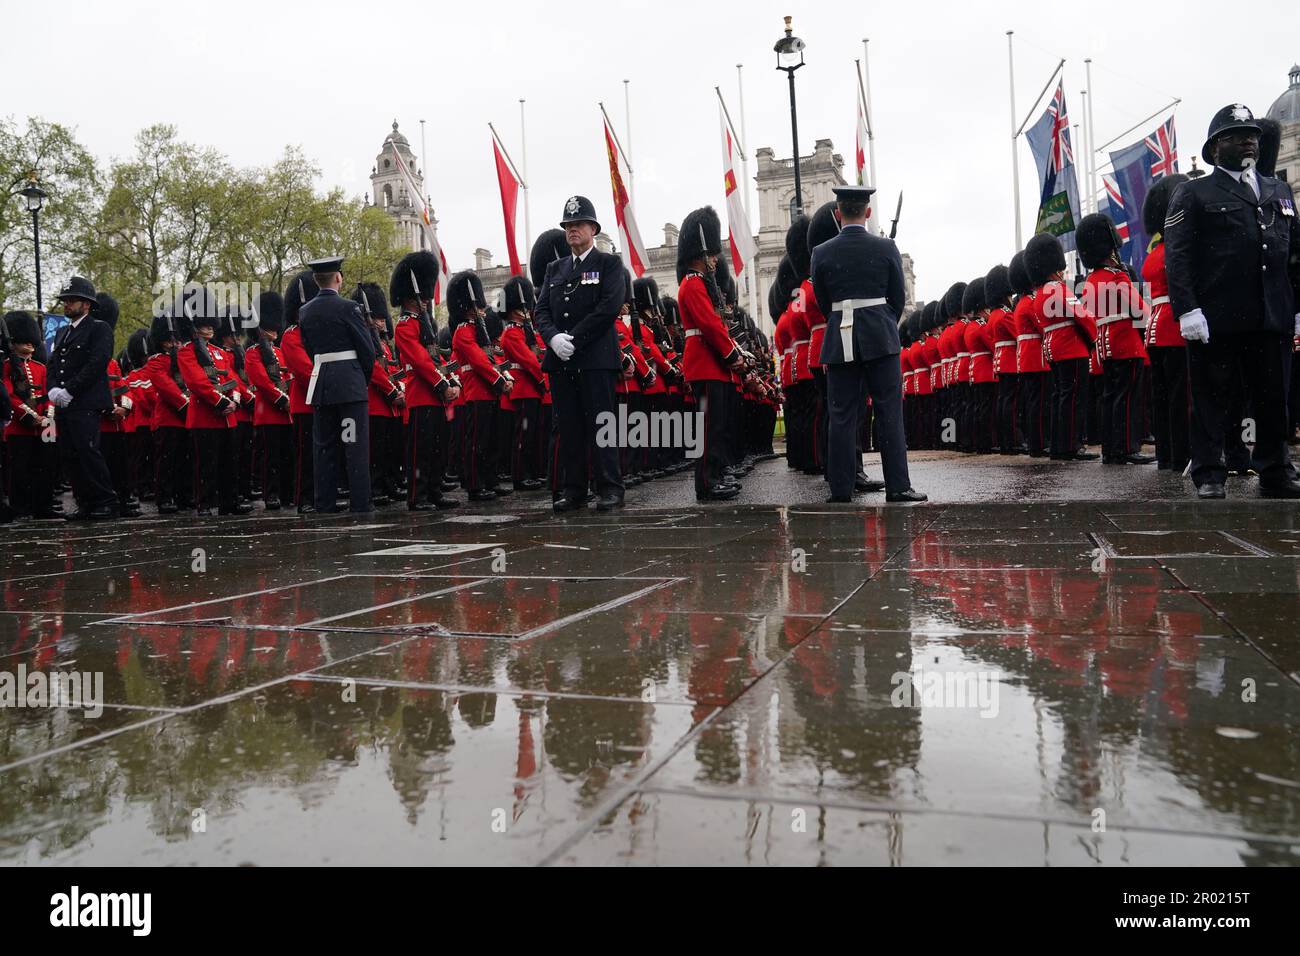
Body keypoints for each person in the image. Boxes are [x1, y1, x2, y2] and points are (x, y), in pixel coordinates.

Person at [1165, 103, 1300, 499]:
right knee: (1211, 398)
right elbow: (1180, 256)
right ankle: (1209, 472)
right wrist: (1187, 309)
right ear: (1215, 147)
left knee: (1273, 398)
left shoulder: (1278, 189)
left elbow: (1293, 253)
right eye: (1237, 135)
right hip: (1217, 316)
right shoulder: (1194, 192)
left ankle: (1276, 469)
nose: (1249, 140)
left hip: (1270, 312)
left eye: (1253, 135)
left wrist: (1297, 307)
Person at [809, 185, 924, 503]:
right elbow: (898, 298)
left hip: (839, 337)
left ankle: (842, 489)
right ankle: (898, 486)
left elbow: (823, 301)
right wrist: (882, 322)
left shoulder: (821, 252)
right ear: (868, 212)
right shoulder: (886, 247)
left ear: (837, 213)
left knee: (842, 414)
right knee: (889, 412)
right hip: (880, 336)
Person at [533, 195, 626, 512]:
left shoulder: (609, 264)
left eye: (578, 224)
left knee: (601, 424)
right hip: (561, 359)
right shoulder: (554, 269)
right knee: (570, 427)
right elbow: (541, 311)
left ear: (593, 229)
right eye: (568, 226)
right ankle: (574, 488)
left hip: (595, 357)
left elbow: (608, 308)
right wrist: (553, 337)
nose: (572, 230)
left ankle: (610, 487)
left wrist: (573, 337)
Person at [298, 255, 376, 514]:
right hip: (350, 386)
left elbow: (310, 349)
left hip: (322, 384)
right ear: (339, 277)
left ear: (315, 280)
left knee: (325, 448)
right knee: (354, 447)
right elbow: (367, 350)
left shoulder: (305, 311)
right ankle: (360, 503)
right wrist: (360, 379)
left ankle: (325, 503)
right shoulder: (349, 307)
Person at [1076, 213, 1155, 466]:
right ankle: (1128, 448)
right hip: (1126, 342)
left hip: (1104, 346)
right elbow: (1140, 311)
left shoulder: (1090, 281)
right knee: (1128, 398)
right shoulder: (1117, 276)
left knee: (1110, 398)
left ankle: (1111, 449)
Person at [391, 251, 461, 510]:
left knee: (436, 447)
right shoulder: (405, 325)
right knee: (420, 452)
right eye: (422, 298)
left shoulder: (423, 324)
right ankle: (417, 496)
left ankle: (433, 491)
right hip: (421, 396)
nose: (426, 302)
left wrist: (453, 382)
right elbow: (420, 362)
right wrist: (443, 386)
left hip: (434, 396)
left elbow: (436, 359)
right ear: (412, 298)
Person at [46, 276, 119, 520]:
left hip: (85, 402)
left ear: (86, 304)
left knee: (88, 452)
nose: (66, 304)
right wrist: (53, 389)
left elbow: (96, 363)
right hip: (64, 404)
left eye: (71, 300)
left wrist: (70, 390)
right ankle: (84, 501)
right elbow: (53, 365)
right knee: (70, 454)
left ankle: (105, 500)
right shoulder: (62, 333)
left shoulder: (99, 328)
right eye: (65, 300)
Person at [1026, 233, 1098, 462]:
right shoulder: (1057, 288)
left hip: (1053, 347)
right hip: (1071, 347)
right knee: (1073, 399)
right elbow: (1082, 316)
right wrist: (1094, 337)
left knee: (1060, 398)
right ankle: (1072, 445)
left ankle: (1059, 445)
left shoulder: (1038, 294)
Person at [177, 292, 246, 516]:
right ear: (195, 326)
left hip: (229, 417)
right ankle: (204, 503)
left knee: (230, 464)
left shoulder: (219, 353)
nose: (211, 328)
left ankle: (229, 502)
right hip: (205, 417)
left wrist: (234, 400)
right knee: (206, 465)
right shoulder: (187, 352)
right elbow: (196, 382)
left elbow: (232, 379)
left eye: (211, 324)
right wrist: (219, 401)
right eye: (205, 324)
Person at [1142, 174, 1192, 472]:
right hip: (1175, 326)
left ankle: (1166, 454)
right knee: (1180, 396)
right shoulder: (1177, 249)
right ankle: (1181, 454)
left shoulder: (1154, 254)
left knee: (1161, 396)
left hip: (1156, 330)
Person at [449, 270, 513, 501]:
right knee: (477, 441)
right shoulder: (463, 331)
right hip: (477, 390)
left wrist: (500, 379)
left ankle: (490, 480)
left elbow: (490, 358)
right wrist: (499, 381)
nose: (482, 311)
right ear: (468, 307)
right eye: (478, 307)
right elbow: (478, 361)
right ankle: (475, 484)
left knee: (490, 440)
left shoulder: (479, 330)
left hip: (490, 390)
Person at [3, 311, 56, 519]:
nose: (30, 345)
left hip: (45, 424)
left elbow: (47, 394)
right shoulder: (7, 366)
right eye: (24, 341)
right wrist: (31, 416)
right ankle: (22, 507)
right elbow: (9, 396)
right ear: (14, 343)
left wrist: (47, 416)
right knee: (20, 469)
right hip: (20, 425)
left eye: (31, 341)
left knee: (45, 466)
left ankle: (43, 505)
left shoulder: (40, 368)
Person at [245, 290, 293, 509]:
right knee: (270, 458)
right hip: (270, 412)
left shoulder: (280, 352)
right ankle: (271, 494)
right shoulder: (252, 353)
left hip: (287, 413)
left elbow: (289, 376)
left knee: (286, 456)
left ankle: (286, 492)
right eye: (269, 326)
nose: (274, 330)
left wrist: (290, 396)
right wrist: (282, 400)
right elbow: (262, 382)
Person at [281, 271, 319, 513]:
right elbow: (305, 370)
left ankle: (322, 495)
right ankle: (305, 499)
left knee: (323, 453)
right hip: (305, 402)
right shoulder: (290, 336)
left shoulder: (316, 332)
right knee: (306, 456)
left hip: (323, 401)